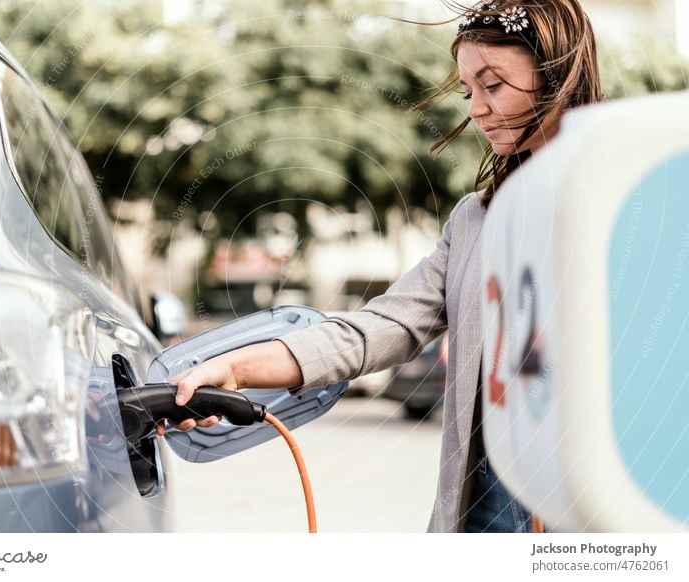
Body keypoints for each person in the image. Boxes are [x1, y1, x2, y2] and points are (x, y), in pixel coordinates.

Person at [156, 0, 605, 533]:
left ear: (557, 72)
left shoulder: (635, 200)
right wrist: (238, 368)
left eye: (494, 85)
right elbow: (379, 327)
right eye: (468, 92)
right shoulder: (475, 222)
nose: (477, 109)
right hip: (485, 513)